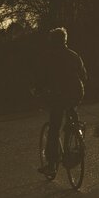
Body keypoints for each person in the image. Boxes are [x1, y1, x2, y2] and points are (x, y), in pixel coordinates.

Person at [35, 27, 87, 176]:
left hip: (58, 95)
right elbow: (84, 75)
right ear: (65, 40)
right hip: (76, 93)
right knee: (72, 111)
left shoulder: (50, 57)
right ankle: (77, 132)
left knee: (54, 128)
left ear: (52, 42)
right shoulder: (74, 55)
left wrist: (38, 90)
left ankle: (52, 164)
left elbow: (43, 78)